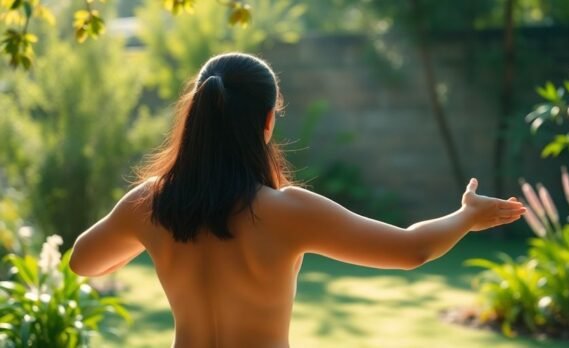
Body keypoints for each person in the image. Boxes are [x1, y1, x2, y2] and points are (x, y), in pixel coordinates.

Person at [69, 52, 526, 348]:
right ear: (267, 121)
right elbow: (411, 249)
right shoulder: (287, 212)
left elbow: (83, 263)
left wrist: (145, 239)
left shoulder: (150, 204)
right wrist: (466, 216)